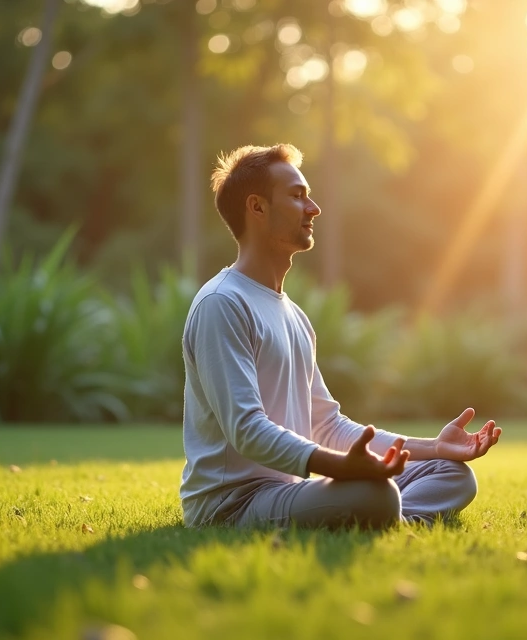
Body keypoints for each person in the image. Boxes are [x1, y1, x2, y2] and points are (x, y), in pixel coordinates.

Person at [179, 143, 503, 529]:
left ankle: (394, 520)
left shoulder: (294, 315)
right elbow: (246, 430)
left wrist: (434, 447)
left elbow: (328, 426)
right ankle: (391, 516)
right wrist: (340, 468)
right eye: (298, 197)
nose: (313, 209)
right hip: (232, 504)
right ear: (258, 207)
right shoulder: (222, 303)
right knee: (375, 492)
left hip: (289, 493)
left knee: (450, 473)